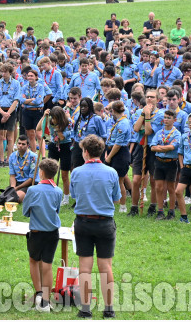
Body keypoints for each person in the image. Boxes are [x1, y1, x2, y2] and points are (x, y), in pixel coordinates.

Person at [70, 135, 121, 319]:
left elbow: (74, 195)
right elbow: (116, 198)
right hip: (105, 222)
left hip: (83, 222)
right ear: (102, 152)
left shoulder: (76, 172)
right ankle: (108, 309)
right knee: (105, 266)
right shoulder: (111, 172)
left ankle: (85, 309)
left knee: (85, 267)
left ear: (85, 152)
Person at [22, 158, 62, 313]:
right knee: (47, 264)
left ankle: (39, 293)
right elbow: (56, 210)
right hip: (53, 233)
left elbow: (25, 212)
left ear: (42, 173)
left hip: (37, 233)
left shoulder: (32, 190)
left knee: (34, 261)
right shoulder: (58, 191)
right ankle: (45, 301)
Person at [37, 107, 72, 205]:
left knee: (65, 174)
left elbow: (62, 137)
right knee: (50, 171)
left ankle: (66, 198)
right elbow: (38, 128)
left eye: (55, 118)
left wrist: (57, 128)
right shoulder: (49, 119)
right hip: (53, 146)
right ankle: (50, 194)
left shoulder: (68, 122)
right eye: (52, 117)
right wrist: (44, 116)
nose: (53, 120)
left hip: (65, 146)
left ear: (60, 118)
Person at [150, 110, 181, 220]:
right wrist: (163, 149)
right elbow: (152, 147)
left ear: (174, 120)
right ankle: (160, 211)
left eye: (168, 117)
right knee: (158, 187)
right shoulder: (159, 133)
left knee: (171, 188)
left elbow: (172, 147)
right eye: (165, 117)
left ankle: (171, 211)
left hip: (171, 162)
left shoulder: (177, 133)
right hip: (159, 162)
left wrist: (159, 148)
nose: (166, 120)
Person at [104, 101, 132, 213]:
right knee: (111, 180)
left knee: (120, 180)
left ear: (114, 111)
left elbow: (118, 144)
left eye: (111, 111)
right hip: (112, 150)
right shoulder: (118, 121)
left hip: (119, 153)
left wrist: (109, 157)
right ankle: (113, 202)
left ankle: (123, 206)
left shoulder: (123, 123)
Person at [0, 64, 21, 166]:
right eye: (2, 71)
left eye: (5, 72)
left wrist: (8, 114)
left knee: (10, 136)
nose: (3, 74)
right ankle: (2, 159)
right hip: (0, 110)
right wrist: (2, 113)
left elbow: (16, 100)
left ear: (10, 72)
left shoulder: (16, 83)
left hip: (11, 111)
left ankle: (9, 159)